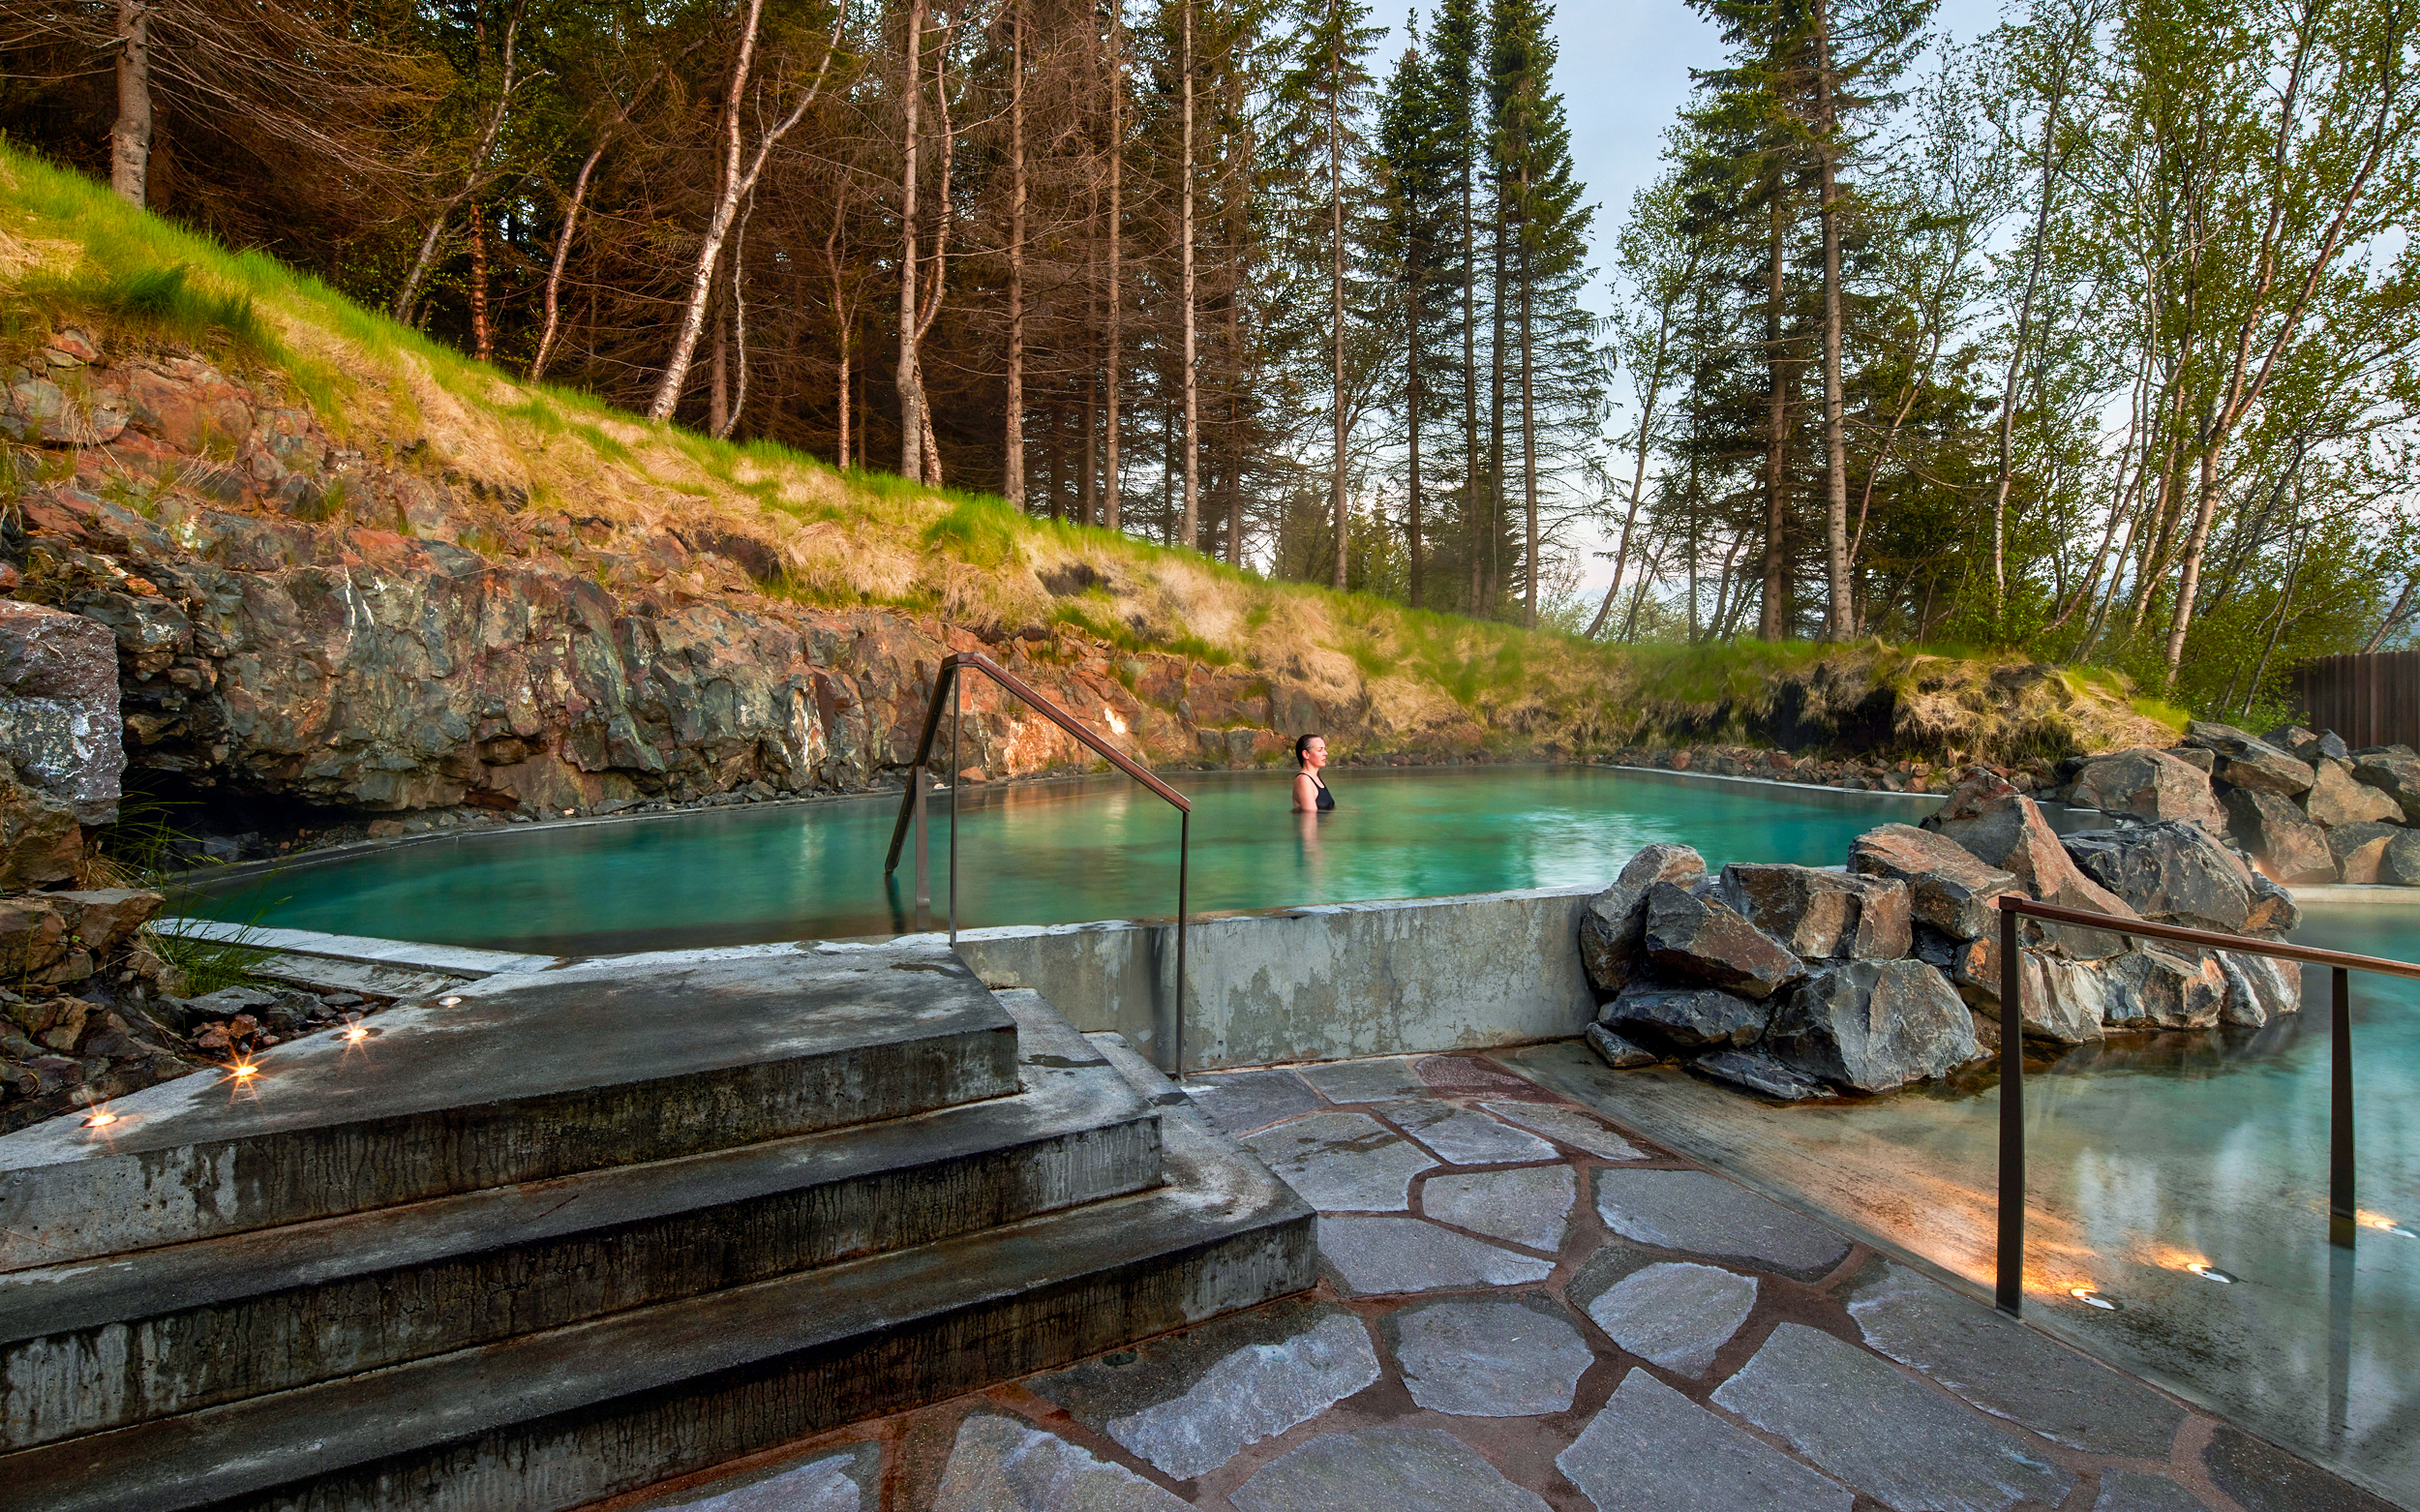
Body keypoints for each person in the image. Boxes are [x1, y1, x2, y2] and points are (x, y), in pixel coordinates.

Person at [1292, 734, 1336, 812]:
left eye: (1324, 749)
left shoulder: (1316, 778)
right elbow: (1310, 816)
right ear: (1306, 754)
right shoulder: (1304, 780)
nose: (1325, 753)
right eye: (1320, 750)